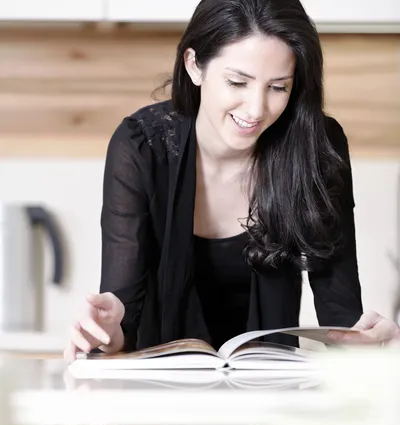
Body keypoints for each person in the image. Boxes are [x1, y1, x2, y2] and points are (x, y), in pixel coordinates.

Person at [64, 0, 400, 363]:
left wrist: (370, 343)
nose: (256, 109)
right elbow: (121, 317)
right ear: (195, 66)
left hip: (270, 391)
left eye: (278, 87)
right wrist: (105, 329)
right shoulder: (141, 147)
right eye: (237, 82)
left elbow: (341, 314)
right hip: (159, 393)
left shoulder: (316, 146)